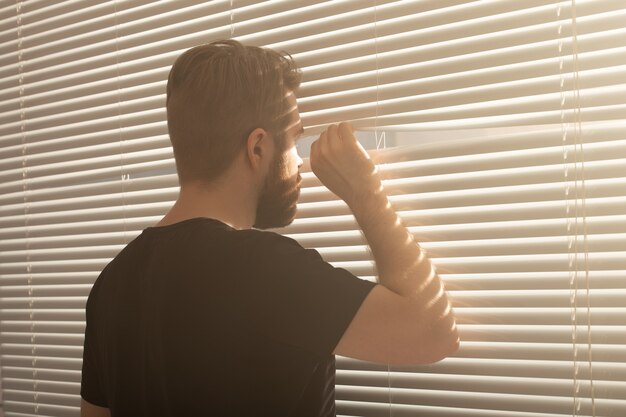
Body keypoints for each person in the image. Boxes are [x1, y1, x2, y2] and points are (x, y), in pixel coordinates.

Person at [80, 39, 459, 417]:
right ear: (258, 147)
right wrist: (365, 191)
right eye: (294, 140)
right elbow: (434, 334)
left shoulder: (111, 283)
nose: (300, 163)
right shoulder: (261, 268)